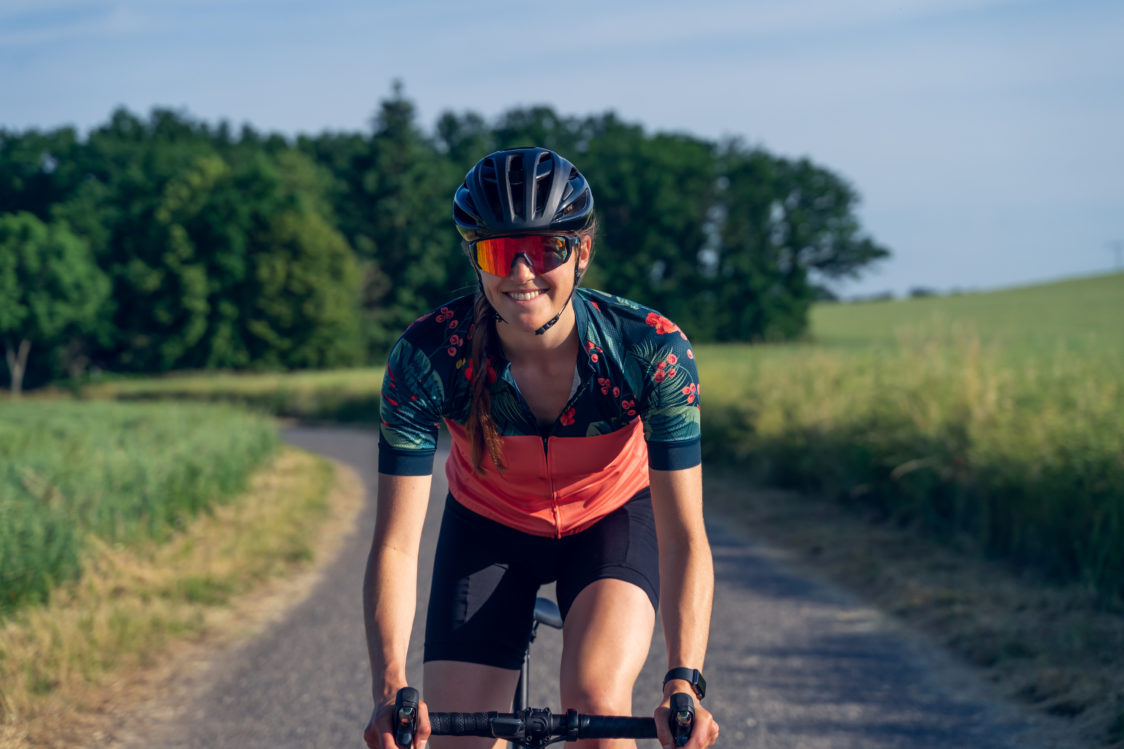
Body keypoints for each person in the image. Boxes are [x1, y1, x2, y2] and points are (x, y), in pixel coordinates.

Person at [363, 147, 719, 749]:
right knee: (456, 741)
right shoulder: (428, 358)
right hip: (488, 527)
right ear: (476, 258)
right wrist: (390, 686)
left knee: (598, 705)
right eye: (500, 251)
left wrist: (683, 681)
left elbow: (684, 534)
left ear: (581, 252)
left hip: (609, 520)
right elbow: (396, 544)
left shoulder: (650, 352)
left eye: (546, 250)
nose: (522, 274)